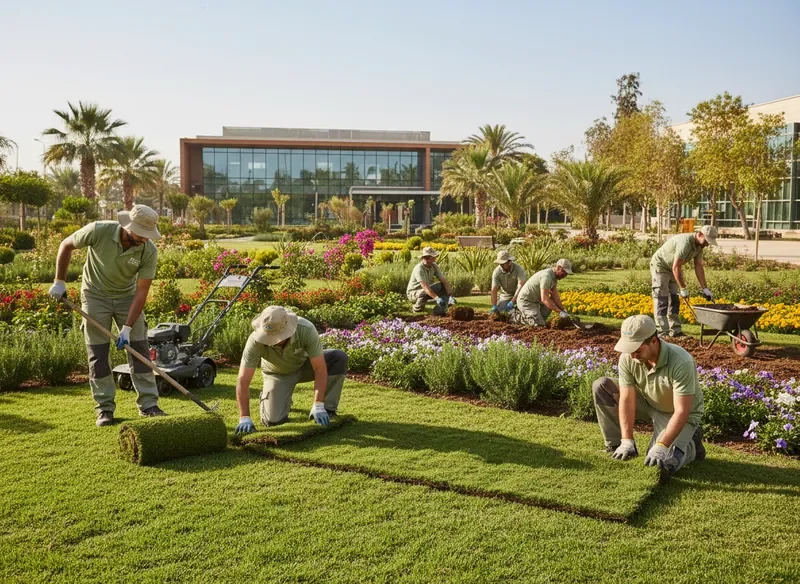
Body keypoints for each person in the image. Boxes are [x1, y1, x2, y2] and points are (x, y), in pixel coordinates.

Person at [48, 205, 165, 427]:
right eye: (141, 234)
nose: (145, 239)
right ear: (128, 227)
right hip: (94, 296)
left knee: (139, 349)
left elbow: (141, 292)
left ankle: (149, 405)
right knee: (98, 353)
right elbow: (66, 245)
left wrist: (128, 327)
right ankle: (104, 409)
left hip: (127, 297)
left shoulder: (148, 250)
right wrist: (59, 282)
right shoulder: (98, 230)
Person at [592, 314, 705, 480]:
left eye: (637, 350)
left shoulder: (681, 361)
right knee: (602, 386)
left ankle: (693, 444)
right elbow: (627, 399)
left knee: (661, 465)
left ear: (653, 341)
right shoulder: (629, 356)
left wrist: (661, 445)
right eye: (629, 350)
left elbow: (682, 411)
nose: (632, 356)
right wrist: (626, 440)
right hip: (647, 401)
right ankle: (617, 446)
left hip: (677, 414)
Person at [234, 306, 348, 434]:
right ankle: (280, 395)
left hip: (304, 366)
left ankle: (327, 409)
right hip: (277, 374)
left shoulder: (306, 329)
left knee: (338, 358)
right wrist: (244, 417)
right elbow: (243, 380)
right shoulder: (255, 341)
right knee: (273, 421)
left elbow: (319, 369)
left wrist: (318, 405)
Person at [650, 225, 718, 337]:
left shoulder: (699, 246)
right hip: (661, 266)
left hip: (672, 268)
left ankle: (675, 331)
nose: (707, 244)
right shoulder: (685, 243)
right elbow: (676, 267)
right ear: (700, 234)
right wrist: (683, 288)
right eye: (706, 240)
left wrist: (705, 288)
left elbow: (698, 266)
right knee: (662, 298)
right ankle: (662, 332)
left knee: (674, 299)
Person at [512, 259, 573, 326]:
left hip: (536, 302)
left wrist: (563, 310)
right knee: (539, 325)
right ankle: (514, 317)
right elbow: (544, 299)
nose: (565, 275)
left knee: (548, 308)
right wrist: (560, 312)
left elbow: (555, 296)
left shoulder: (554, 277)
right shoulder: (546, 276)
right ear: (558, 268)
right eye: (564, 272)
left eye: (566, 273)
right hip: (526, 302)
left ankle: (533, 317)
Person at [406, 246, 453, 315]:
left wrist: (450, 296)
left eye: (432, 258)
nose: (430, 261)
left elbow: (444, 281)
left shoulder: (434, 266)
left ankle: (439, 310)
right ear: (423, 258)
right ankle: (416, 308)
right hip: (413, 293)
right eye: (428, 258)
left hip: (425, 290)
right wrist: (437, 298)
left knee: (443, 285)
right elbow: (425, 287)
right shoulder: (419, 269)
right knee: (424, 291)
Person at [489, 250, 526, 314]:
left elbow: (521, 286)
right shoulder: (497, 272)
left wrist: (512, 302)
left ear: (509, 262)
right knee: (500, 312)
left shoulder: (518, 269)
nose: (501, 266)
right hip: (505, 296)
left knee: (522, 311)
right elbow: (494, 290)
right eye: (500, 264)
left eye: (503, 264)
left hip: (520, 294)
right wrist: (494, 305)